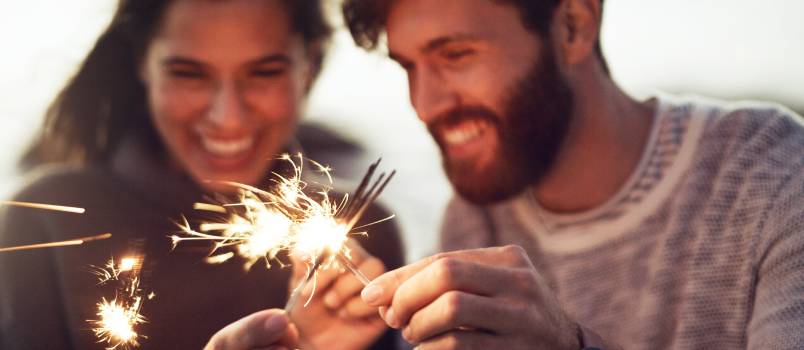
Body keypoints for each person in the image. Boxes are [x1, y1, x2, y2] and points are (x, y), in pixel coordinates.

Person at [211, 0, 804, 348]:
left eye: (455, 55)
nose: (424, 104)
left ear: (572, 24)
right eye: (409, 66)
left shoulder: (770, 174)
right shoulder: (472, 219)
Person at [0, 1, 403, 349]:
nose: (227, 117)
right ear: (141, 62)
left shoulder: (362, 232)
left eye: (263, 72)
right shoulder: (45, 221)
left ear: (310, 64)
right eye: (189, 74)